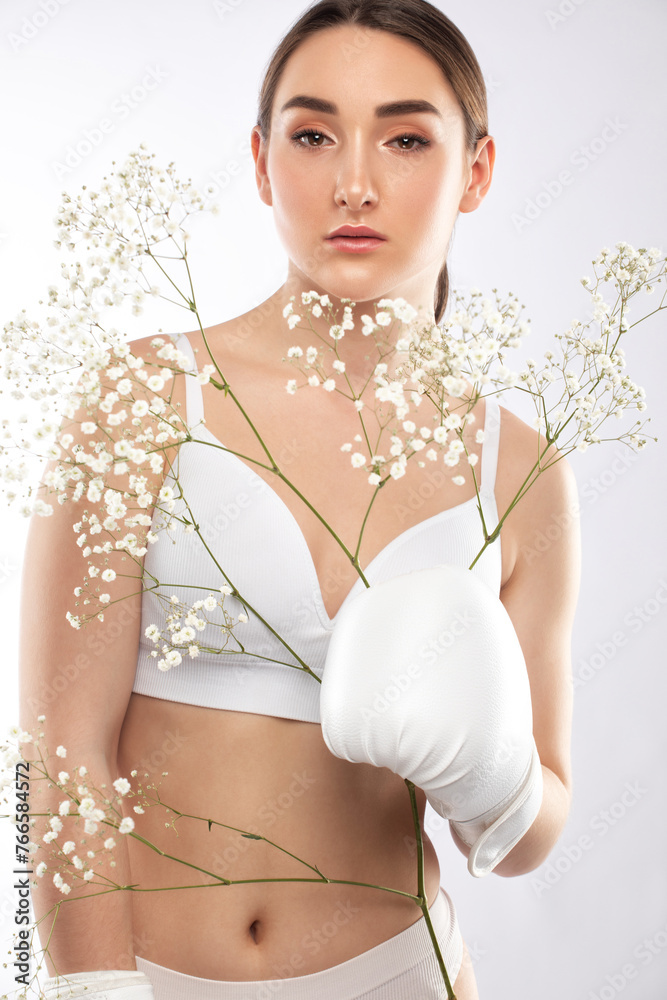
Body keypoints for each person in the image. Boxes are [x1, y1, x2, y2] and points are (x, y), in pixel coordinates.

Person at [20, 1, 581, 998]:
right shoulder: (143, 398)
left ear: (479, 171)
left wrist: (489, 769)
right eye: (312, 134)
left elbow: (536, 825)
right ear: (259, 159)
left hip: (403, 971)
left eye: (405, 138)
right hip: (149, 973)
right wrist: (92, 990)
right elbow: (59, 750)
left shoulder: (520, 472)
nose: (353, 182)